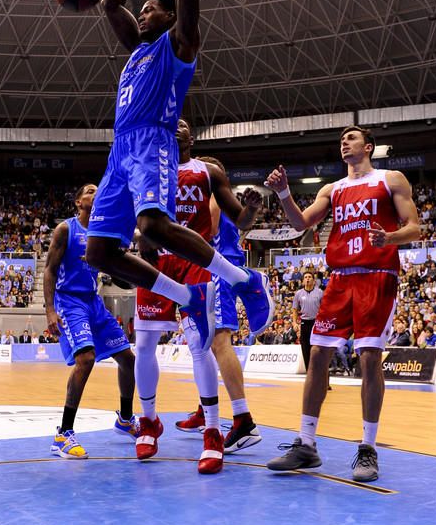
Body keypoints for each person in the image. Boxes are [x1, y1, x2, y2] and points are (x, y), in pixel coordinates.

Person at [85, 0, 272, 455]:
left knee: (153, 228)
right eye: (143, 13)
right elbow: (109, 2)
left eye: (152, 10)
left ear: (170, 17)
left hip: (154, 144)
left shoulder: (178, 44)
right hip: (121, 151)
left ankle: (244, 281)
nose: (143, 14)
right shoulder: (135, 49)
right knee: (99, 253)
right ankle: (183, 296)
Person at [265, 125, 420, 482]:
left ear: (368, 146)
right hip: (339, 278)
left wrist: (389, 237)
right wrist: (284, 192)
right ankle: (306, 444)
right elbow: (300, 223)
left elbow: (414, 228)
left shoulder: (390, 179)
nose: (343, 143)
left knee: (368, 357)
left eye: (351, 138)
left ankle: (367, 448)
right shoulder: (332, 189)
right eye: (341, 140)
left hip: (376, 275)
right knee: (317, 354)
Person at [135, 128, 270, 473]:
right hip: (159, 259)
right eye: (172, 125)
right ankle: (150, 421)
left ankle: (218, 428)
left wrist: (250, 210)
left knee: (205, 343)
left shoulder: (207, 173)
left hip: (200, 261)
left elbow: (231, 221)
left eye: (184, 126)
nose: (177, 128)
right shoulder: (146, 166)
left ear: (192, 139)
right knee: (147, 342)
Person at [176, 154, 266, 459]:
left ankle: (243, 420)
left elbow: (210, 231)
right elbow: (244, 222)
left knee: (219, 341)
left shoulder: (210, 193)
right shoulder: (222, 197)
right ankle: (205, 408)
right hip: (217, 268)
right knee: (202, 343)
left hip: (217, 269)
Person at [44, 184, 139, 459]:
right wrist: (50, 310)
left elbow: (119, 278)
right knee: (86, 359)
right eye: (89, 190)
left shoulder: (103, 234)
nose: (95, 192)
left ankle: (125, 418)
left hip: (93, 301)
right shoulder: (66, 229)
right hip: (69, 300)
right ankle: (63, 434)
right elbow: (49, 269)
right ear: (78, 202)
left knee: (128, 359)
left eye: (98, 189)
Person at [292, 271, 323, 371]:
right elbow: (295, 310)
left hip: (316, 323)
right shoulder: (298, 294)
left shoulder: (319, 292)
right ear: (303, 281)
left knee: (317, 350)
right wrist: (294, 322)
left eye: (310, 277)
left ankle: (322, 377)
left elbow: (324, 308)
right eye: (305, 277)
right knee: (305, 350)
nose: (308, 279)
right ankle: (309, 374)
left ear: (314, 281)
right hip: (304, 323)